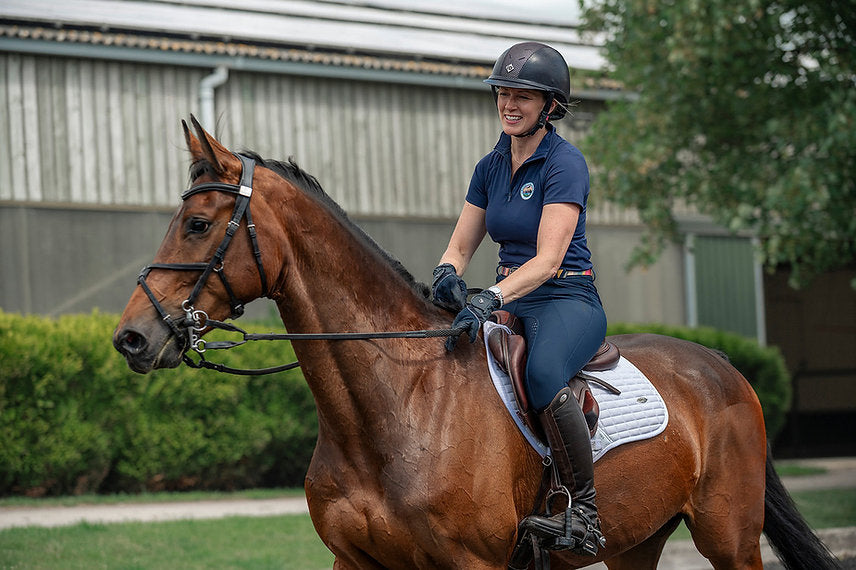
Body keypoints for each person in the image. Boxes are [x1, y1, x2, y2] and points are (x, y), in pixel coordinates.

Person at [432, 41, 607, 556]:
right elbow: (463, 242)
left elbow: (549, 260)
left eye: (522, 97)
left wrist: (490, 297)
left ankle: (586, 511)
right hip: (510, 294)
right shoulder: (489, 166)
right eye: (502, 94)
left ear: (549, 105)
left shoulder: (564, 163)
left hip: (565, 297)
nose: (509, 105)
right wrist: (447, 271)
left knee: (543, 372)